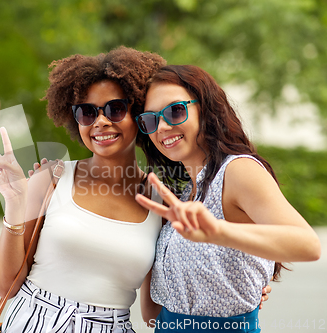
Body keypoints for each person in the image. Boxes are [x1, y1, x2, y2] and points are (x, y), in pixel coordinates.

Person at [0, 46, 166, 333]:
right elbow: (7, 285)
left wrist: (232, 299)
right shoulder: (51, 178)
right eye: (87, 112)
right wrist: (15, 204)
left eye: (116, 109)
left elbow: (152, 312)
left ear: (139, 113)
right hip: (33, 322)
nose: (101, 121)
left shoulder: (162, 201)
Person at [134, 65, 321, 332]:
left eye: (175, 111)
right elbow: (151, 315)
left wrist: (219, 232)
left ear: (206, 110)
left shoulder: (237, 171)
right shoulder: (187, 193)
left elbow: (309, 245)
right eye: (150, 120)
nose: (163, 126)